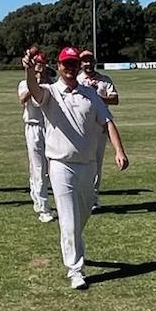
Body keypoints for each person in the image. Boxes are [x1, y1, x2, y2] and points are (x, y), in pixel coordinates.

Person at [22, 46, 129, 290]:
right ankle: (75, 270)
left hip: (88, 165)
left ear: (78, 66)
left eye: (73, 64)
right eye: (65, 64)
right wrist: (29, 70)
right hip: (60, 164)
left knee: (83, 213)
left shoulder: (90, 95)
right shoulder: (50, 92)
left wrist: (119, 151)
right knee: (69, 220)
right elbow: (34, 90)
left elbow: (108, 122)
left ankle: (71, 244)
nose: (69, 68)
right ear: (58, 67)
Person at [77, 50, 119, 210]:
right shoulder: (77, 80)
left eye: (90, 60)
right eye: (84, 61)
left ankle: (93, 199)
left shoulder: (104, 80)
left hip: (100, 126)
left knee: (96, 163)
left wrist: (97, 96)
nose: (87, 64)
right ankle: (81, 196)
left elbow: (115, 99)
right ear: (80, 63)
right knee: (81, 161)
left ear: (94, 62)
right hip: (81, 126)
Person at [17, 52, 55, 223]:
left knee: (47, 167)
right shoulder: (24, 83)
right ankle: (44, 208)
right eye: (37, 64)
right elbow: (22, 99)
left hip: (49, 127)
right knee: (38, 167)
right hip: (33, 127)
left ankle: (38, 197)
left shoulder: (51, 84)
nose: (40, 67)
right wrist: (35, 85)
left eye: (42, 64)